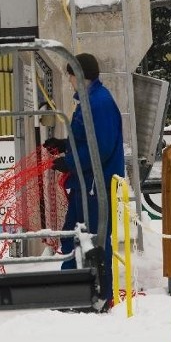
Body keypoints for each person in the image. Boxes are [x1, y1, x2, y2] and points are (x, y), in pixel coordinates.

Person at [43, 53, 124, 306]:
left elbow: (101, 147)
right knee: (73, 235)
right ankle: (73, 290)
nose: (68, 80)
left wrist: (71, 162)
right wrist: (64, 145)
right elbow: (86, 140)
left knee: (94, 238)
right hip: (85, 184)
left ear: (79, 75)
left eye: (69, 75)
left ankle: (99, 294)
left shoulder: (98, 103)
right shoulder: (89, 101)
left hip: (95, 186)